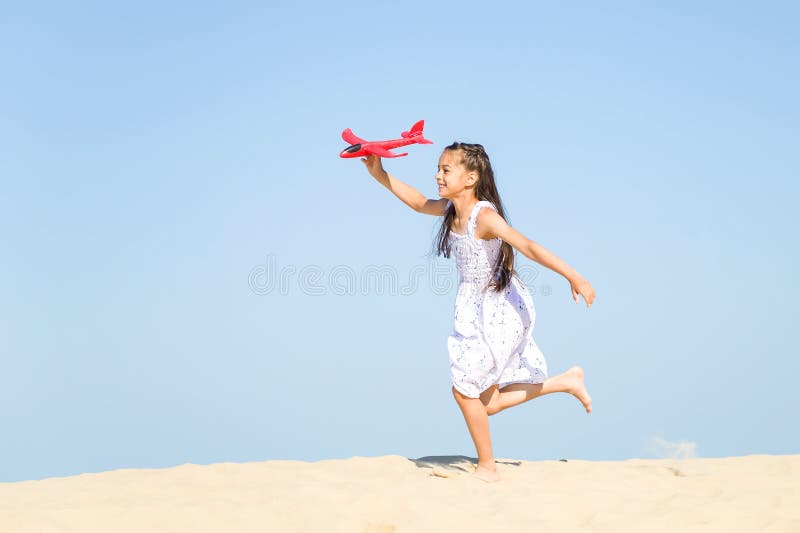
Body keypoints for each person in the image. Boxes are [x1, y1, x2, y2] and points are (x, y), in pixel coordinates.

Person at [361, 142, 596, 483]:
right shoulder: (450, 211)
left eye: (446, 169)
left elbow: (526, 245)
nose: (437, 175)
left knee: (463, 390)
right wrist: (380, 174)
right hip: (473, 307)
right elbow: (416, 202)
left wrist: (575, 276)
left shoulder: (483, 216)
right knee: (486, 404)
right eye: (438, 169)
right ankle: (566, 381)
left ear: (470, 178)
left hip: (500, 307)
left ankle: (488, 467)